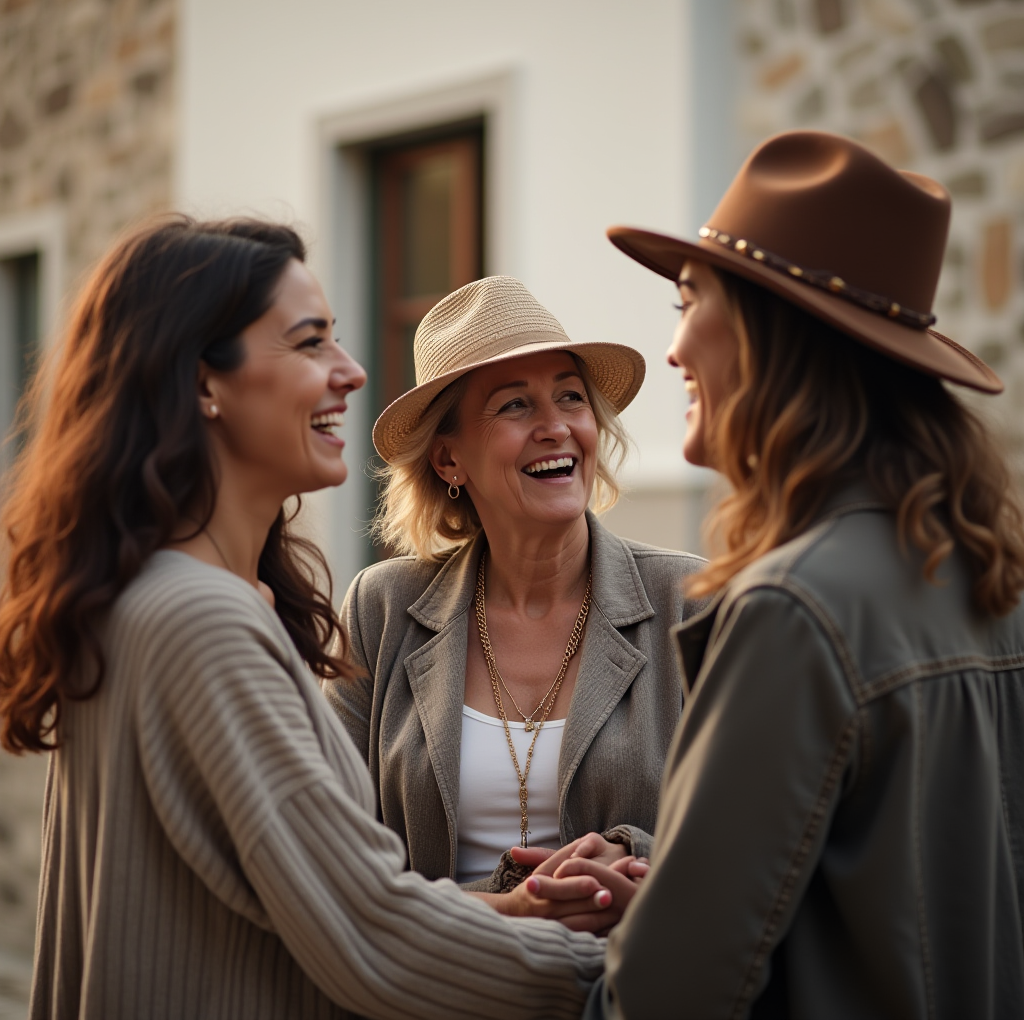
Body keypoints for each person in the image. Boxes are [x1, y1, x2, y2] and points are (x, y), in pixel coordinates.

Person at [0, 216, 620, 1020]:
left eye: (572, 396)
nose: (352, 372)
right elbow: (370, 929)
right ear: (201, 383)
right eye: (310, 342)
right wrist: (620, 975)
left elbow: (325, 903)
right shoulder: (203, 621)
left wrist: (526, 908)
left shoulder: (166, 594)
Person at [587, 129, 1024, 1018]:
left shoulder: (796, 607)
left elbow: (670, 993)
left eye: (687, 302)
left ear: (767, 333)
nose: (671, 352)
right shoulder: (986, 577)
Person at [324, 274, 703, 922]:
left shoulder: (692, 604)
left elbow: (752, 839)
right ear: (449, 460)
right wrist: (510, 911)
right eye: (515, 406)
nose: (556, 427)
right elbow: (333, 862)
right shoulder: (380, 611)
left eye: (571, 398)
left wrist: (635, 861)